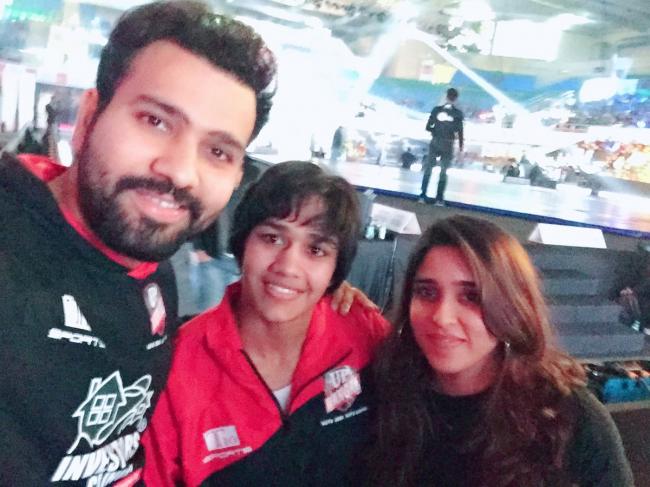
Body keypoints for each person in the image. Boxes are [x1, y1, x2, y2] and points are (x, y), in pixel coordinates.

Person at [0, 1, 276, 485]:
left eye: (217, 151)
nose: (181, 172)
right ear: (88, 118)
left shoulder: (154, 269)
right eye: (155, 121)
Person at [141, 161, 389, 486]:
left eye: (316, 250)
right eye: (272, 238)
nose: (288, 266)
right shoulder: (176, 366)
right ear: (243, 243)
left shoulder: (364, 332)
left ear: (335, 270)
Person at [365, 215, 634, 487]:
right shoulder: (383, 392)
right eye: (426, 292)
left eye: (471, 296)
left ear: (510, 306)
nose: (442, 317)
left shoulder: (569, 420)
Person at [420, 88, 464, 205]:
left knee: (428, 169)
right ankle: (439, 198)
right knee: (444, 172)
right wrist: (460, 147)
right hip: (448, 144)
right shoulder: (458, 114)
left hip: (435, 141)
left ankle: (423, 195)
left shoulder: (436, 110)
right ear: (456, 98)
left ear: (446, 96)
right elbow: (460, 132)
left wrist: (436, 131)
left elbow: (428, 127)